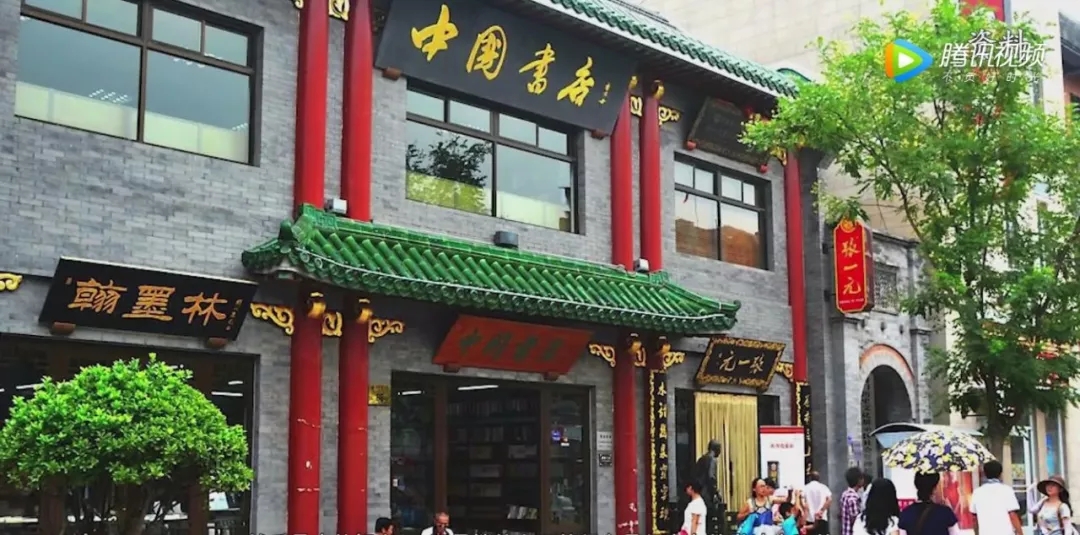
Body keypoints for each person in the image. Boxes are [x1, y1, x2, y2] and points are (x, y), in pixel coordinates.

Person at [970, 460, 1024, 535]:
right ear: (1001, 474)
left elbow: (974, 518)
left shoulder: (977, 492)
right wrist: (1020, 533)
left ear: (984, 474)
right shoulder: (1007, 490)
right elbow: (1012, 515)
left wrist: (976, 533)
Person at [694, 440, 723, 505]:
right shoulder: (712, 460)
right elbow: (711, 477)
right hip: (707, 495)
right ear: (716, 449)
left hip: (698, 493)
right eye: (719, 449)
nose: (720, 452)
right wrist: (715, 492)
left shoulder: (701, 459)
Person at [842, 467, 868, 535]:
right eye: (862, 478)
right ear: (858, 480)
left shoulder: (846, 494)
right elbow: (856, 520)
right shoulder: (853, 497)